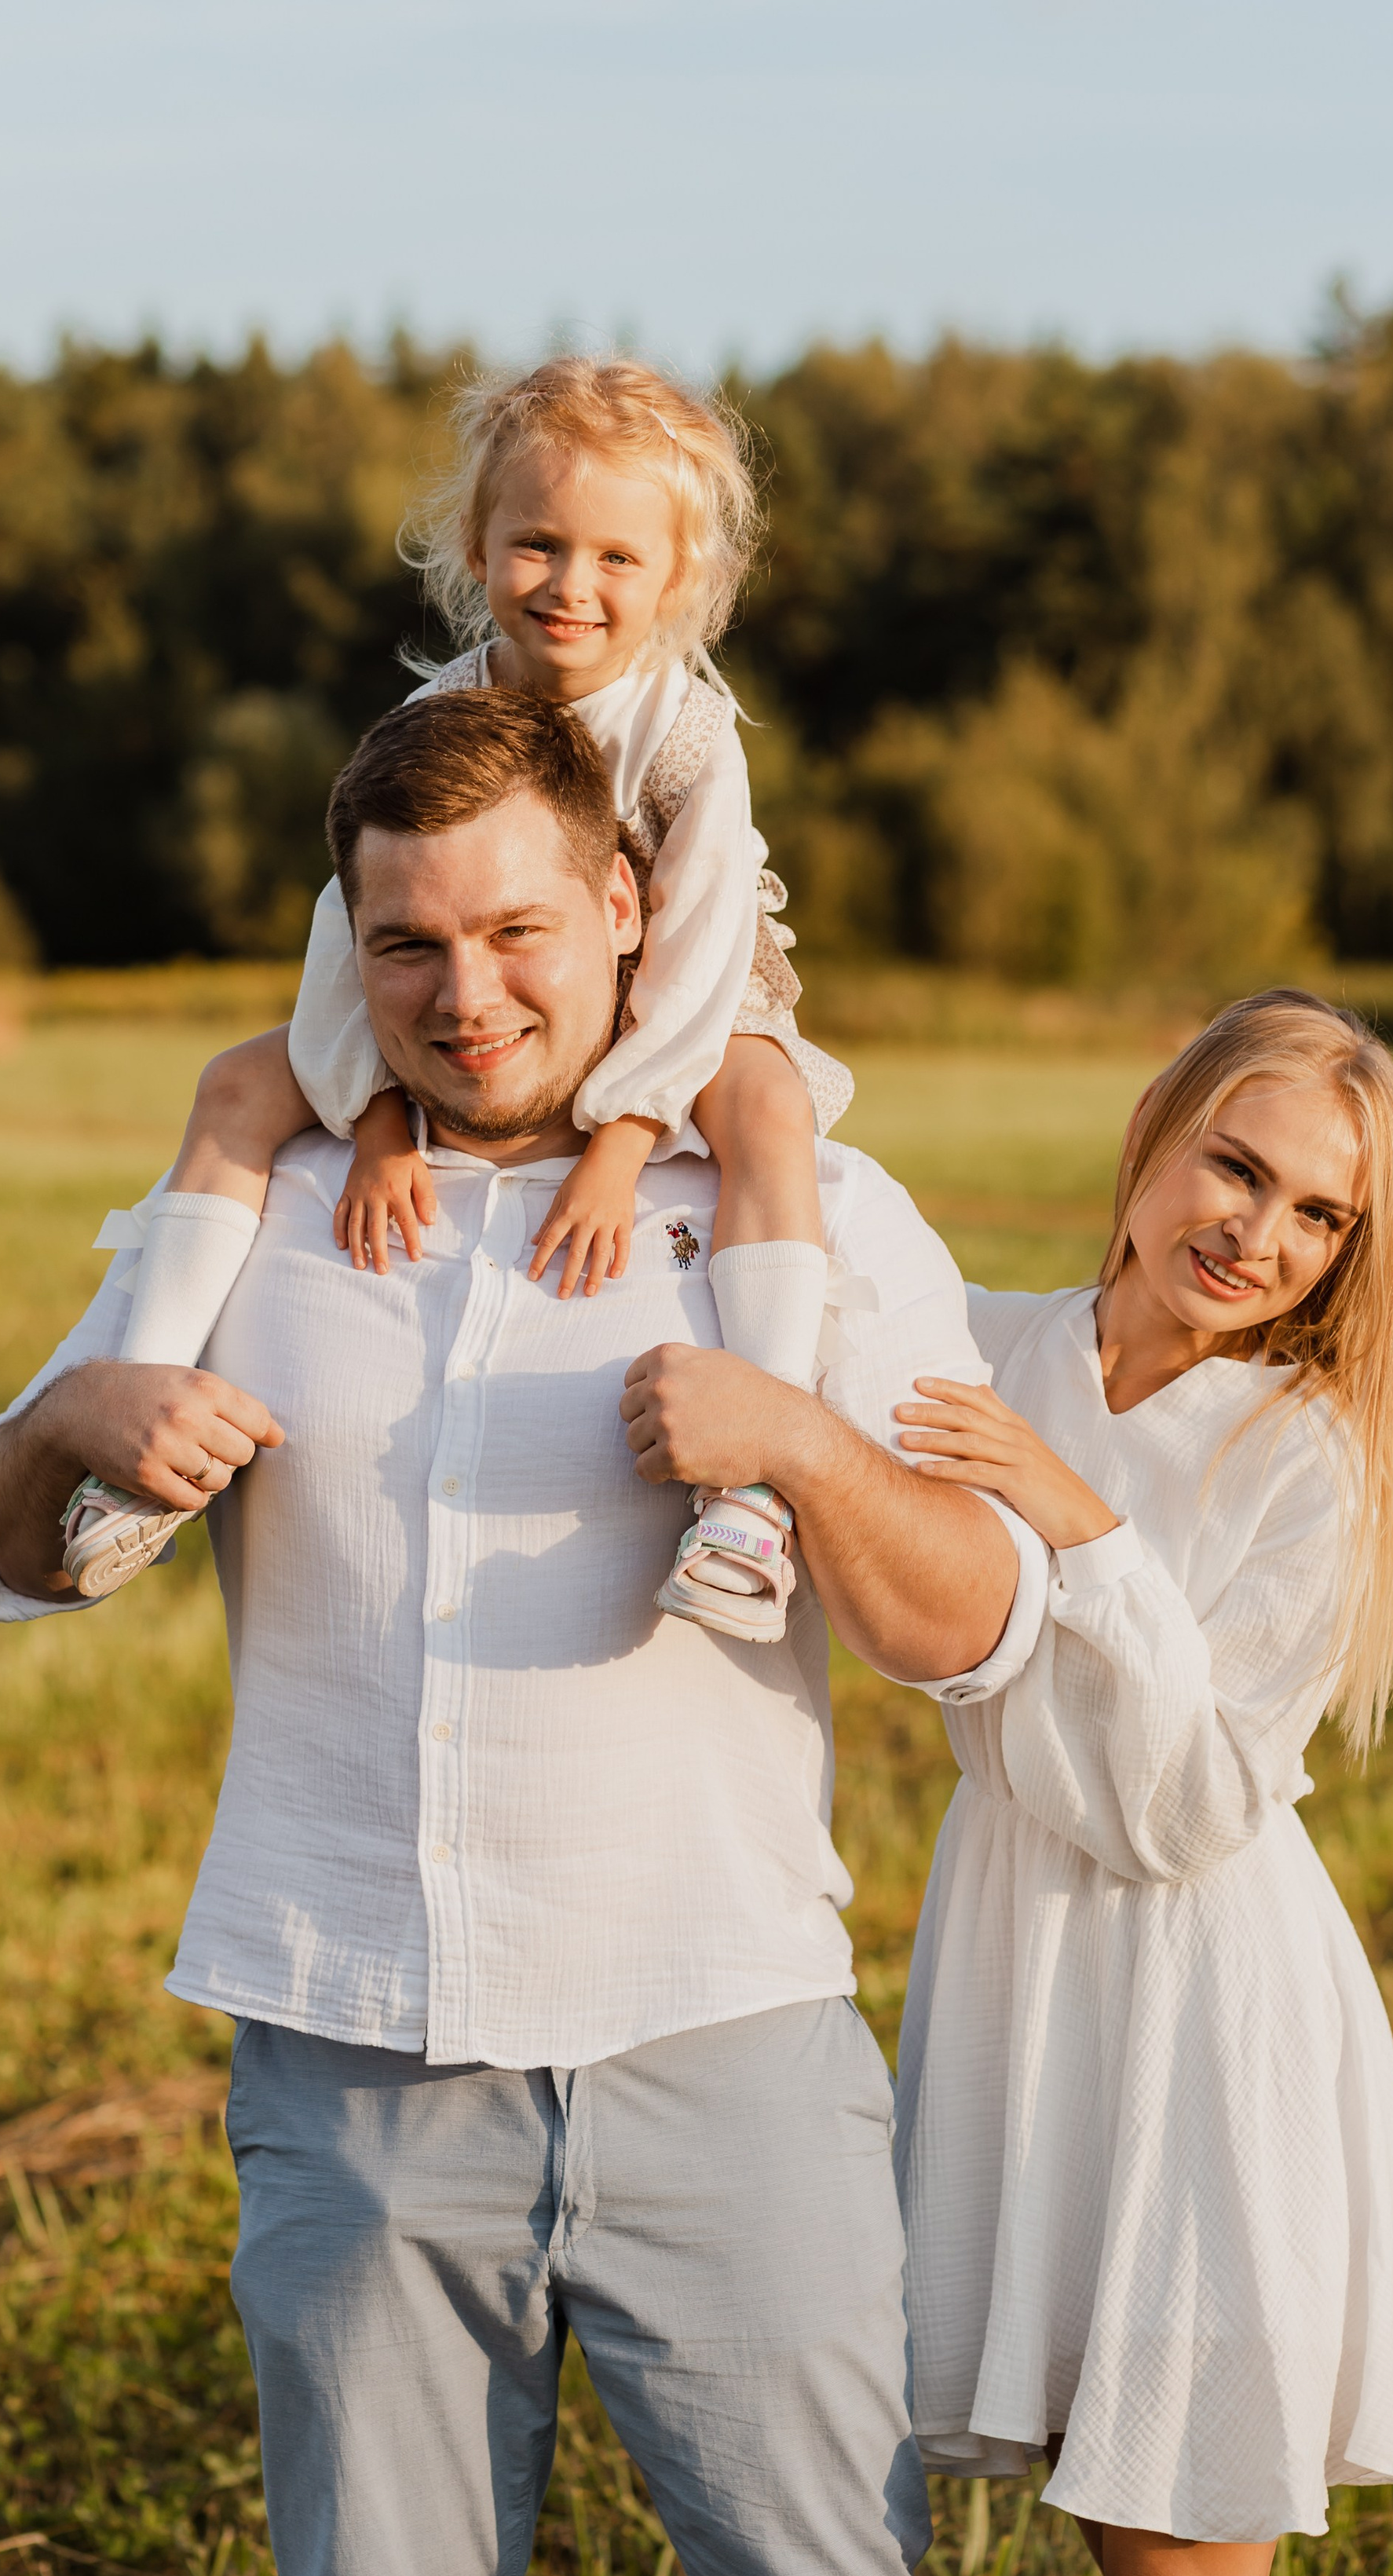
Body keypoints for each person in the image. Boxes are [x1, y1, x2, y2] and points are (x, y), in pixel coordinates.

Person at [0, 682, 1049, 2576]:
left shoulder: (795, 1212)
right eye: (407, 943)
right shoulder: (262, 1215)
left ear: (628, 904)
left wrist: (796, 1446)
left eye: (518, 929)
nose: (464, 995)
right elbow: (15, 1547)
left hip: (716, 2043)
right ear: (343, 942)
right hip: (350, 2058)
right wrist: (72, 1415)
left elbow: (976, 1614)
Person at [60, 355, 850, 1645]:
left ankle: (750, 1486)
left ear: (678, 582)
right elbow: (349, 931)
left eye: (617, 559)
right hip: (462, 1005)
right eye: (538, 543)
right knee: (235, 1088)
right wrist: (372, 1121)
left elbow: (703, 942)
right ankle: (136, 1415)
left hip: (683, 1007)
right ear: (476, 547)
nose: (573, 586)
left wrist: (627, 1139)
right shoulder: (438, 711)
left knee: (766, 1112)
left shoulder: (690, 736)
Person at [889, 990, 1393, 2576]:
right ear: (1150, 1133)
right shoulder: (980, 1344)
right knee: (1078, 2545)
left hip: (1204, 2014)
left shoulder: (1306, 1456)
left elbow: (1192, 1800)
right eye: (1234, 1164)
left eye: (1317, 1215)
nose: (1257, 1234)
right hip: (1014, 1968)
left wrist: (1076, 1521)